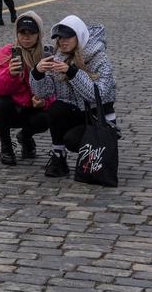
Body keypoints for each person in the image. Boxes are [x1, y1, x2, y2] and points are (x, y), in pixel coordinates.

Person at [31, 15, 117, 178]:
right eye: (59, 37)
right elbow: (43, 93)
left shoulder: (99, 58)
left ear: (79, 36)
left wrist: (72, 72)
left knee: (72, 140)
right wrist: (37, 73)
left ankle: (97, 155)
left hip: (98, 119)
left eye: (67, 37)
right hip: (76, 113)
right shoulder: (58, 57)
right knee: (55, 108)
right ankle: (58, 158)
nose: (63, 41)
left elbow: (97, 93)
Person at [0, 13, 50, 165]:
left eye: (31, 33)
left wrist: (43, 102)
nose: (26, 37)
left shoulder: (46, 56)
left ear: (39, 34)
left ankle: (25, 136)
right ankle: (6, 147)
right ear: (17, 34)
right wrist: (10, 74)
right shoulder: (7, 53)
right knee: (0, 104)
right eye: (22, 32)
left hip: (32, 107)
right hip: (12, 107)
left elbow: (56, 89)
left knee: (47, 117)